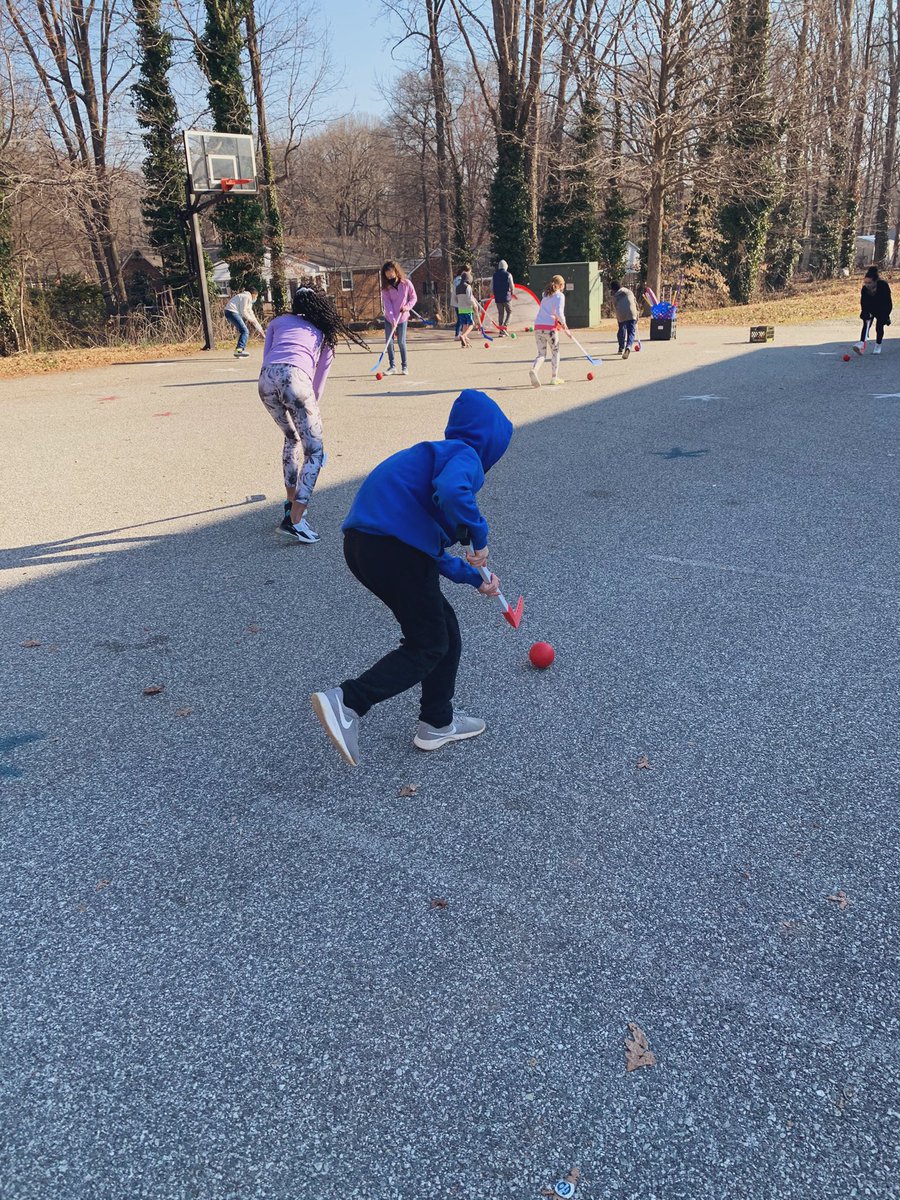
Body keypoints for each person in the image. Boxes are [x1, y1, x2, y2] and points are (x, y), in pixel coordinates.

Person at [310, 389, 513, 767]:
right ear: (490, 444)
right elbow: (455, 492)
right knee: (429, 643)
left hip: (368, 548)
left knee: (444, 630)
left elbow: (430, 554)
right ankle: (349, 702)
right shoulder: (463, 455)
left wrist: (475, 578)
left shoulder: (433, 459)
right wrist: (480, 536)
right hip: (393, 550)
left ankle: (436, 722)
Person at [258, 286, 368, 544]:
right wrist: (309, 414)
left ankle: (289, 502)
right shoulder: (325, 335)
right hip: (297, 381)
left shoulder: (277, 322)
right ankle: (295, 520)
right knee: (314, 451)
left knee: (291, 438)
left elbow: (267, 359)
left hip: (265, 381)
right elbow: (317, 386)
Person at [529, 274, 568, 387]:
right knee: (555, 351)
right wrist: (564, 323)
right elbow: (559, 312)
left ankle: (534, 369)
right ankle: (554, 377)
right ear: (561, 285)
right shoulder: (560, 296)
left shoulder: (545, 295)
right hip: (549, 328)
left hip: (538, 326)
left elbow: (553, 312)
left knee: (541, 354)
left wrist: (560, 322)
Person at [380, 261, 417, 375]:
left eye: (391, 272)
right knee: (389, 342)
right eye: (387, 273)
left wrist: (407, 307)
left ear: (396, 271)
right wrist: (392, 320)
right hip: (389, 319)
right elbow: (388, 306)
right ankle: (392, 366)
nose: (390, 275)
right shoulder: (385, 289)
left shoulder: (406, 284)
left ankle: (404, 366)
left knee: (401, 342)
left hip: (403, 317)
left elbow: (413, 298)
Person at [855, 266, 893, 355]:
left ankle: (878, 345)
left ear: (875, 281)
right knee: (866, 324)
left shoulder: (883, 286)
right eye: (865, 282)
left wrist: (886, 315)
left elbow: (887, 302)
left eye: (869, 282)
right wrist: (865, 313)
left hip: (882, 308)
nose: (867, 284)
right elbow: (863, 302)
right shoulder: (864, 289)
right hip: (870, 307)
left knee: (879, 326)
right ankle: (861, 343)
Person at [224, 286, 264, 358]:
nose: (256, 298)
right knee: (245, 331)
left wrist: (260, 328)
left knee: (244, 330)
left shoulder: (247, 300)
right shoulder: (246, 297)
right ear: (253, 294)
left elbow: (251, 314)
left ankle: (239, 351)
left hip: (230, 312)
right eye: (256, 296)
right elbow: (244, 311)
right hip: (232, 312)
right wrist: (250, 320)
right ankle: (239, 350)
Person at [611, 280, 639, 358]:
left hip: (621, 314)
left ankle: (621, 347)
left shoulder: (615, 295)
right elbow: (635, 303)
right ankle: (628, 347)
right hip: (632, 312)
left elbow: (616, 306)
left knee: (621, 328)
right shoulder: (629, 292)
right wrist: (637, 314)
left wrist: (619, 318)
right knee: (631, 332)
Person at [492, 259, 515, 333]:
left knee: (500, 313)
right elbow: (512, 286)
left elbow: (491, 287)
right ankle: (505, 326)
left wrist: (494, 294)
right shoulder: (508, 274)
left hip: (498, 298)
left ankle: (501, 329)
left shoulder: (494, 275)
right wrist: (512, 292)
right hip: (506, 297)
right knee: (510, 311)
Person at [455, 270, 477, 348]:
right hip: (467, 308)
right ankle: (464, 336)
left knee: (464, 324)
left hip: (460, 309)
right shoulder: (468, 287)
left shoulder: (457, 287)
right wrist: (474, 305)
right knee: (471, 324)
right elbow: (469, 298)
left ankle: (463, 343)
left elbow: (455, 299)